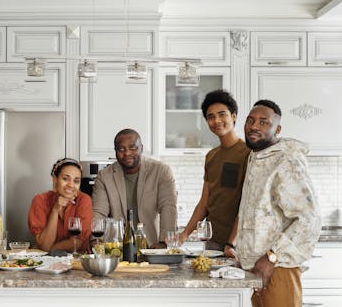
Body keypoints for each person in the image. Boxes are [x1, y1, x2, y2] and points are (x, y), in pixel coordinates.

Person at [236, 99, 321, 307]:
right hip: (256, 270)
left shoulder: (286, 162)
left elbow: (310, 220)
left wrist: (271, 257)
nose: (254, 126)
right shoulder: (257, 156)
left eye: (263, 122)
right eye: (250, 120)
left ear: (278, 129)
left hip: (278, 269)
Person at [178, 90, 250, 258]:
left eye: (222, 114)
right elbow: (204, 203)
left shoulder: (248, 153)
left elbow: (247, 205)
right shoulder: (211, 156)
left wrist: (231, 242)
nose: (216, 121)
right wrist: (184, 235)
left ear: (234, 116)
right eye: (210, 117)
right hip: (212, 242)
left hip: (238, 243)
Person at [93, 129, 177, 248]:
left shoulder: (161, 171)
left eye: (133, 148)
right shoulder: (104, 176)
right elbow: (99, 212)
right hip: (117, 248)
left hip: (152, 245)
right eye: (121, 149)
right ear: (115, 151)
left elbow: (168, 207)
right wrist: (95, 240)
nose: (127, 153)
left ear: (141, 148)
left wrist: (164, 242)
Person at [28, 158, 93, 252]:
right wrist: (55, 210)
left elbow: (77, 243)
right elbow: (44, 244)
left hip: (77, 261)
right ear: (55, 179)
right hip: (46, 264)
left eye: (76, 181)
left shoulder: (84, 201)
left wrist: (48, 250)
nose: (71, 185)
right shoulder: (40, 201)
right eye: (65, 179)